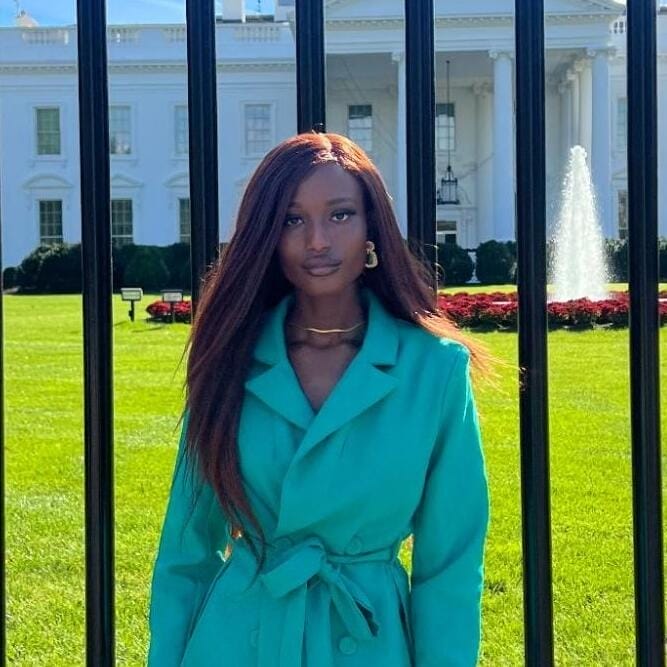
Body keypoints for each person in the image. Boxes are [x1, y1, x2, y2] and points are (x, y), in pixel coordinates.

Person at [147, 131, 496, 667]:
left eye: (340, 215)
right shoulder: (228, 360)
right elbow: (185, 551)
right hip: (238, 640)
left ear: (371, 227)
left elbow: (449, 564)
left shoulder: (434, 369)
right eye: (292, 219)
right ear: (267, 235)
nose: (317, 240)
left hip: (368, 641)